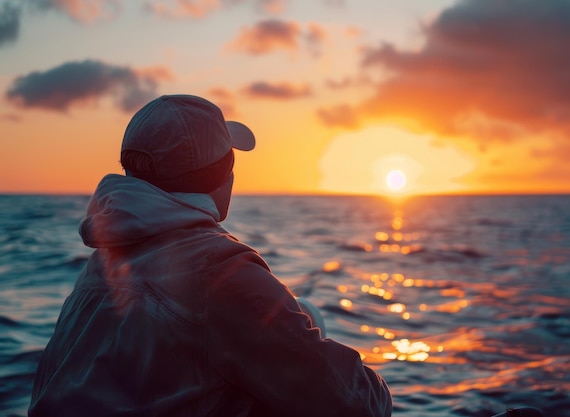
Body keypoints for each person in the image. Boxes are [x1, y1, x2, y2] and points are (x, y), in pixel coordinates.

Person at [28, 94, 393, 417]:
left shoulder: (101, 264)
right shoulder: (220, 275)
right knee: (307, 323)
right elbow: (359, 404)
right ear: (224, 174)